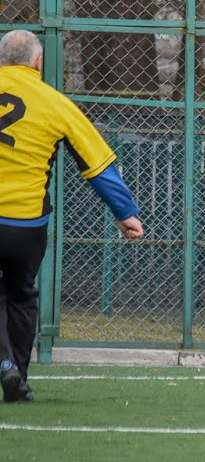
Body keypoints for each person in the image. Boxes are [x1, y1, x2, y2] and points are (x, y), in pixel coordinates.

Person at [0, 30, 144, 403]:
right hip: (26, 225)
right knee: (21, 295)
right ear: (37, 62)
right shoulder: (56, 102)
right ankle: (19, 380)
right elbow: (97, 165)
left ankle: (4, 366)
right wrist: (125, 213)